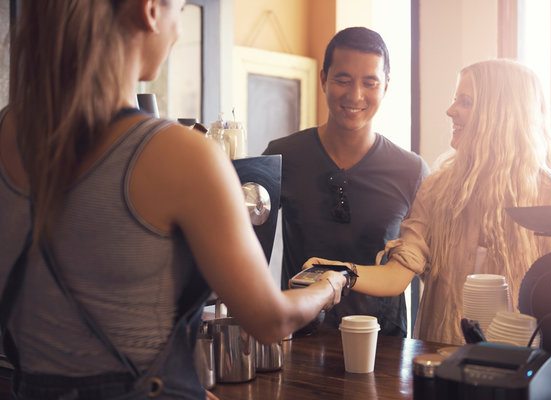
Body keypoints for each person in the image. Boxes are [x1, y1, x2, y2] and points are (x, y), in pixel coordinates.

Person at [0, 1, 346, 399]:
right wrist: (328, 286)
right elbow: (270, 320)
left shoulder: (6, 129)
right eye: (180, 9)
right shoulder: (179, 153)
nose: (179, 30)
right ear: (150, 10)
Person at [307, 59, 551, 345]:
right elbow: (398, 274)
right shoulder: (439, 188)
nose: (450, 110)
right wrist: (341, 273)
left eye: (466, 102)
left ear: (501, 113)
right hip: (444, 356)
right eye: (455, 99)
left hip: (523, 362)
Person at [263, 27, 429, 336]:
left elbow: (410, 266)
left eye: (370, 82)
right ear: (323, 79)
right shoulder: (282, 156)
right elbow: (247, 242)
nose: (355, 95)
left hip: (382, 342)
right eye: (343, 80)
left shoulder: (411, 170)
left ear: (386, 86)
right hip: (301, 336)